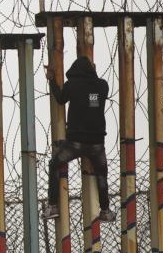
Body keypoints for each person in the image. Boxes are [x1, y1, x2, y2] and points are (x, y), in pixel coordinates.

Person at [43, 54, 114, 222]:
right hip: (97, 143)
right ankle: (105, 210)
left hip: (75, 142)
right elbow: (94, 98)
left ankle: (53, 206)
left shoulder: (72, 85)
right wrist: (94, 75)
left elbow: (60, 99)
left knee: (55, 164)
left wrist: (52, 79)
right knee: (102, 174)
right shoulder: (102, 86)